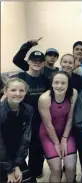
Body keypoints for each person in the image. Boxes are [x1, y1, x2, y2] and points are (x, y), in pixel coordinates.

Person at [13, 50, 50, 181]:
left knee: (37, 152)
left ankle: (33, 176)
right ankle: (23, 175)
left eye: (40, 61)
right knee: (19, 152)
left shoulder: (46, 81)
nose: (37, 63)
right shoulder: (20, 77)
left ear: (44, 63)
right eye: (34, 60)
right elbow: (8, 96)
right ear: (28, 61)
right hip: (21, 121)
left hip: (38, 122)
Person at [38, 71, 78, 182]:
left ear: (68, 84)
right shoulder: (44, 98)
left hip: (66, 132)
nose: (59, 86)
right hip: (48, 134)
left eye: (63, 83)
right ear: (51, 83)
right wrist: (56, 143)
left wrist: (64, 139)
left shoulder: (73, 94)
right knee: (56, 169)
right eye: (56, 82)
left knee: (70, 166)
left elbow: (70, 118)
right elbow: (48, 124)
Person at [0, 78, 33, 182]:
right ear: (5, 91)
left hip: (18, 156)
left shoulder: (28, 110)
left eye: (21, 90)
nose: (18, 93)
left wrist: (17, 164)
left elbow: (25, 139)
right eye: (13, 90)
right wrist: (9, 170)